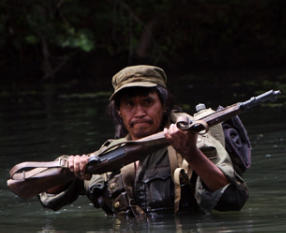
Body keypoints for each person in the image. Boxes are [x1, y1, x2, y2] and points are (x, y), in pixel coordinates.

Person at [40, 65, 249, 216]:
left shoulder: (194, 142)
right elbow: (50, 196)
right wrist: (72, 168)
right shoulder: (108, 158)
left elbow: (232, 200)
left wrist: (191, 153)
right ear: (119, 112)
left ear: (164, 105)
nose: (139, 112)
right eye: (129, 104)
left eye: (147, 102)